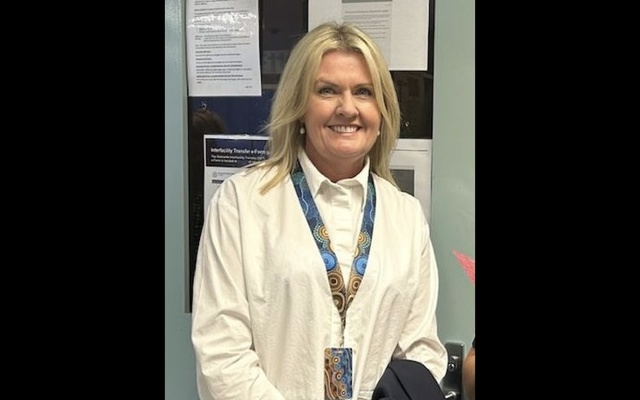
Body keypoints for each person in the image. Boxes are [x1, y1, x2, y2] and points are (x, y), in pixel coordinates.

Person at [191, 21, 447, 400]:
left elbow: (422, 350)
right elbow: (221, 352)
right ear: (299, 107)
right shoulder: (242, 202)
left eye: (364, 92)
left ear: (381, 111)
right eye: (327, 90)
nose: (348, 108)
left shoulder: (406, 217)